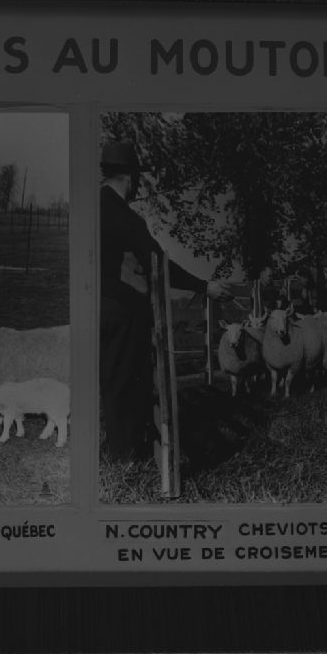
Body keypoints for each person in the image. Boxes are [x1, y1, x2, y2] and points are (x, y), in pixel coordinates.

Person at [99, 140, 232, 461]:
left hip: (94, 308)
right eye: (137, 179)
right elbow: (159, 263)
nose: (138, 186)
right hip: (122, 312)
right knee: (128, 383)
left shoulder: (92, 208)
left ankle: (116, 452)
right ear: (130, 177)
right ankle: (126, 457)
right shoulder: (127, 218)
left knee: (109, 380)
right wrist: (204, 286)